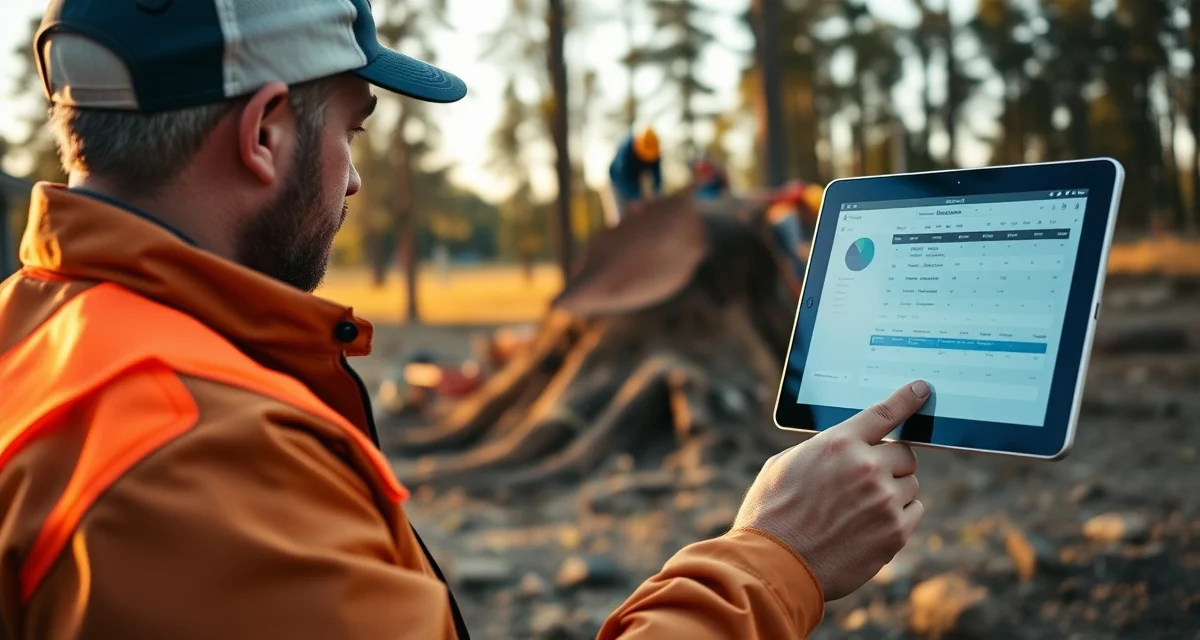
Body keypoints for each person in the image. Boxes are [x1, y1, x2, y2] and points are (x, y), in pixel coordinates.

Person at [0, 1, 928, 638]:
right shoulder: (199, 453)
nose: (355, 178)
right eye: (352, 129)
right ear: (266, 132)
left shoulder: (34, 340)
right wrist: (776, 560)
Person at [605, 126, 663, 226]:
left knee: (641, 207)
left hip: (636, 176)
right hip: (618, 179)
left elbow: (657, 173)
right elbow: (622, 178)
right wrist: (634, 197)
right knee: (622, 214)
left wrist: (656, 191)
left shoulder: (654, 149)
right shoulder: (625, 151)